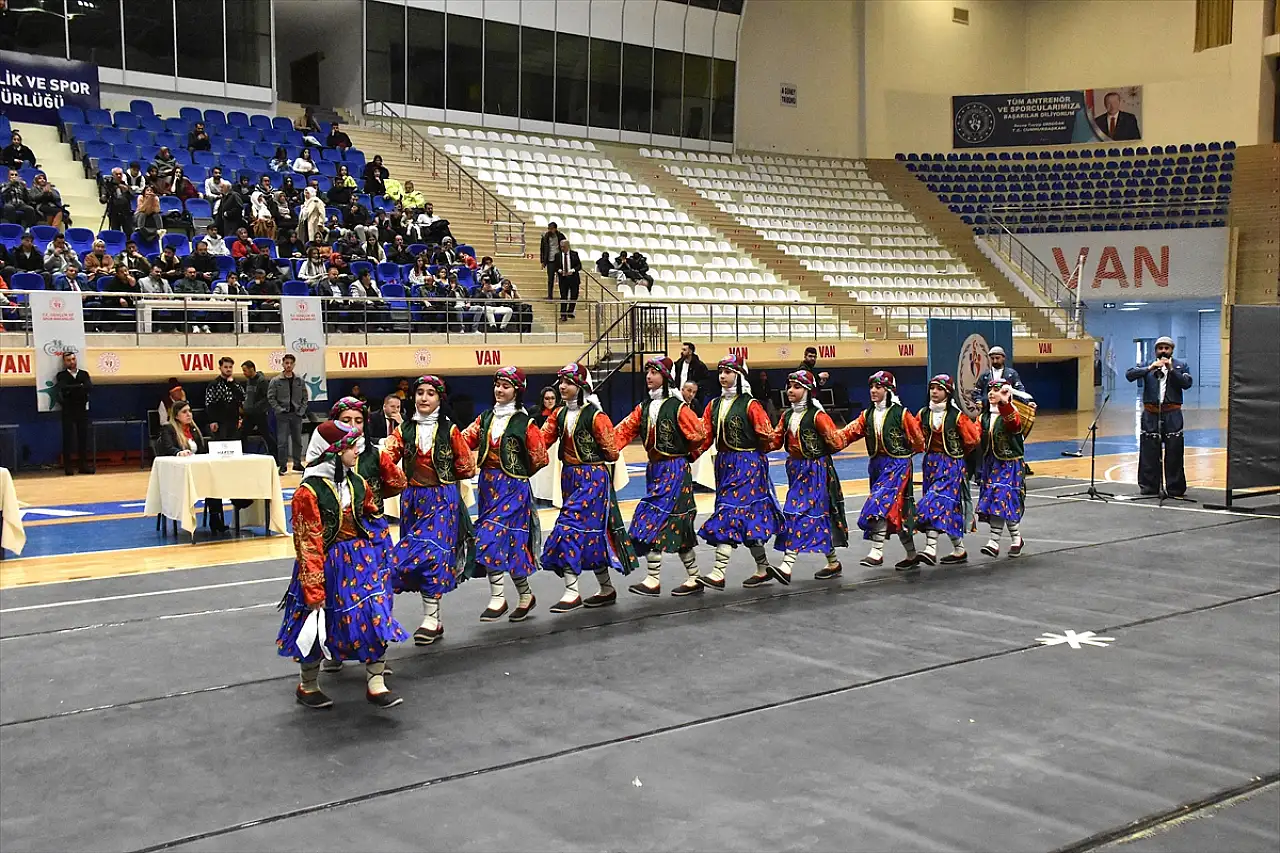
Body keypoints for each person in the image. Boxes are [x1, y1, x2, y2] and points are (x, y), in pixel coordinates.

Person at [275, 420, 408, 709]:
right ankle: (308, 685)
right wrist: (314, 590)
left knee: (374, 613)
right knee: (317, 622)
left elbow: (371, 515)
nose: (356, 451)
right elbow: (308, 542)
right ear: (331, 452)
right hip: (324, 566)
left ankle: (376, 683)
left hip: (359, 563)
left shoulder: (356, 482)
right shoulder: (307, 492)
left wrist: (378, 551)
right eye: (349, 446)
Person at [383, 376, 477, 645]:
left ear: (439, 399)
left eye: (430, 394)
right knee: (420, 555)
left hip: (442, 500)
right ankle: (433, 618)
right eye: (420, 393)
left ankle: (431, 619)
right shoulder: (403, 432)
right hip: (413, 500)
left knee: (431, 553)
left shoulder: (450, 431)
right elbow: (387, 460)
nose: (424, 398)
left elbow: (467, 467)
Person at [539, 364, 637, 612]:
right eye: (560, 381)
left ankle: (572, 592)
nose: (562, 386)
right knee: (592, 533)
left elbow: (612, 452)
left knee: (568, 528)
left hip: (592, 478)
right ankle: (606, 588)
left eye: (568, 382)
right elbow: (541, 440)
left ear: (581, 386)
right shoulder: (559, 414)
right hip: (570, 478)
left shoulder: (596, 416)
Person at [459, 366, 549, 622]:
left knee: (488, 536)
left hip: (513, 488)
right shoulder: (485, 418)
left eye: (506, 386)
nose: (499, 389)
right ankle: (525, 595)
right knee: (507, 545)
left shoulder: (525, 423)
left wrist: (519, 473)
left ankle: (498, 598)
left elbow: (540, 457)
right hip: (488, 486)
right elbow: (465, 441)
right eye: (497, 384)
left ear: (517, 391)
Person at [612, 357, 708, 596]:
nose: (648, 376)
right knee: (676, 526)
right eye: (648, 372)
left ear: (665, 377)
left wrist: (687, 454)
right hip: (655, 470)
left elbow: (698, 434)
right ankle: (692, 577)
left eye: (654, 372)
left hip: (675, 469)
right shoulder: (644, 407)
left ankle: (654, 579)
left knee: (653, 519)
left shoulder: (678, 407)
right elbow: (622, 432)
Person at [693, 354, 784, 589]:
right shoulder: (714, 405)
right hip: (724, 466)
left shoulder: (751, 405)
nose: (723, 376)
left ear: (739, 375)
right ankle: (763, 569)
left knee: (730, 513)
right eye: (720, 371)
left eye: (728, 372)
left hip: (747, 465)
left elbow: (768, 437)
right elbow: (703, 436)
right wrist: (686, 455)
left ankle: (718, 571)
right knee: (746, 519)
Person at [769, 370, 852, 583]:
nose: (790, 391)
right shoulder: (787, 416)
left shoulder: (818, 416)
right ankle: (833, 562)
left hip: (815, 470)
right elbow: (774, 441)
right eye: (789, 386)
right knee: (814, 514)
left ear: (807, 391)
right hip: (796, 470)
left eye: (796, 387)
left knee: (797, 511)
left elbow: (836, 443)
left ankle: (787, 566)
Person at [840, 371, 924, 568]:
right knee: (895, 510)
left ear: (888, 390)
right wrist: (827, 442)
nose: (873, 391)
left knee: (879, 503)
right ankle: (912, 555)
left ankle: (876, 552)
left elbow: (918, 440)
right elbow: (848, 434)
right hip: (877, 466)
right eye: (871, 387)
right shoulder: (867, 415)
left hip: (897, 465)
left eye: (878, 387)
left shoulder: (901, 413)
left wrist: (905, 456)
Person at [913, 374, 981, 566]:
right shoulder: (923, 413)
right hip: (931, 465)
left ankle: (930, 548)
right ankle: (959, 550)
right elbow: (914, 435)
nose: (934, 391)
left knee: (935, 501)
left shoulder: (957, 416)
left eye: (939, 389)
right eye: (932, 388)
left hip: (952, 464)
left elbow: (973, 439)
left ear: (948, 393)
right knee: (947, 507)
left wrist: (957, 454)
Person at [157, 400, 240, 533]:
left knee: (214, 480)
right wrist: (178, 452)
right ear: (176, 416)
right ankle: (225, 510)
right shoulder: (169, 429)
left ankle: (218, 516)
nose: (189, 414)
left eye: (189, 411)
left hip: (198, 472)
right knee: (211, 481)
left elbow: (201, 450)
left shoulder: (194, 429)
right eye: (184, 412)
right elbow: (168, 447)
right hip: (179, 475)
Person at [1125, 336, 1193, 497]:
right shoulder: (1148, 365)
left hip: (1172, 413)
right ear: (1156, 350)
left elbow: (1186, 384)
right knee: (1149, 451)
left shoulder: (1181, 366)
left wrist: (1171, 370)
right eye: (1160, 348)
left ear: (1172, 350)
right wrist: (1149, 368)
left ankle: (1175, 488)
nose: (1163, 351)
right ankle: (1149, 486)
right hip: (1151, 413)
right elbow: (1129, 375)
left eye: (1166, 348)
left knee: (1174, 451)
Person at [976, 380, 1028, 558]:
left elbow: (1014, 426)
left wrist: (1005, 403)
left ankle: (994, 542)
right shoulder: (984, 417)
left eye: (996, 390)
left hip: (1010, 463)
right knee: (999, 501)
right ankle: (1016, 538)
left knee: (1001, 497)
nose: (991, 392)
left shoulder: (1012, 412)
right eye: (990, 389)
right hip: (992, 463)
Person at [53, 350, 93, 475]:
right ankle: (68, 467)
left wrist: (72, 389)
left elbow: (89, 387)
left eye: (73, 359)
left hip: (81, 409)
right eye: (69, 360)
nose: (72, 362)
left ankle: (83, 465)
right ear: (64, 362)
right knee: (68, 438)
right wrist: (79, 387)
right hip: (68, 410)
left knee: (83, 438)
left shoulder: (84, 374)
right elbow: (62, 389)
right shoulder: (61, 375)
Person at [268, 354, 308, 474]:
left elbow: (305, 397)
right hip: (283, 415)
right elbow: (271, 398)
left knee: (297, 441)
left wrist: (301, 411)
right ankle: (283, 465)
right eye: (286, 363)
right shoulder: (276, 380)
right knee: (282, 442)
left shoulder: (299, 380)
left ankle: (297, 463)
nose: (288, 365)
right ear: (283, 364)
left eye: (291, 363)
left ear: (294, 364)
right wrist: (278, 409)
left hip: (296, 415)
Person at [205, 356, 245, 439]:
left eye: (230, 367)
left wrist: (240, 418)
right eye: (226, 367)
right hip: (220, 421)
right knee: (222, 444)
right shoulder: (214, 384)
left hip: (234, 420)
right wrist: (212, 420)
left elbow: (242, 398)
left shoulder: (236, 384)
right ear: (220, 368)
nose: (228, 369)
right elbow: (210, 403)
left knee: (235, 443)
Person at [240, 360, 273, 450]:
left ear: (252, 369)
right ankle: (242, 454)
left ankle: (275, 456)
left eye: (245, 370)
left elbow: (267, 398)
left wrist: (256, 408)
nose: (244, 373)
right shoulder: (249, 381)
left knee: (267, 435)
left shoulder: (262, 381)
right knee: (242, 434)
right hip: (249, 414)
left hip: (259, 414)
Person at [554, 238, 582, 322]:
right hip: (563, 279)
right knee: (563, 297)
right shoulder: (557, 255)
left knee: (574, 296)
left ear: (568, 246)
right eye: (561, 247)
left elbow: (579, 266)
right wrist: (559, 270)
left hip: (573, 278)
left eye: (564, 247)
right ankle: (563, 315)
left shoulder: (574, 254)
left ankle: (570, 311)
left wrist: (572, 270)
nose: (562, 248)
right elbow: (555, 266)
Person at [539, 221, 563, 300]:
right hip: (550, 260)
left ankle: (563, 295)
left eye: (551, 229)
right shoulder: (545, 237)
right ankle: (550, 295)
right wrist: (542, 261)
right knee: (550, 279)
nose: (550, 230)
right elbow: (542, 249)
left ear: (555, 229)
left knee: (561, 279)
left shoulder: (560, 236)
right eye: (549, 229)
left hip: (559, 260)